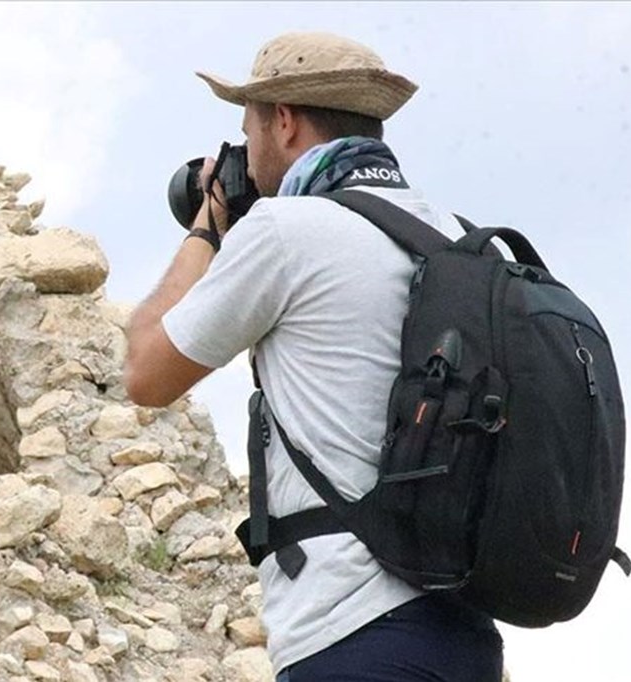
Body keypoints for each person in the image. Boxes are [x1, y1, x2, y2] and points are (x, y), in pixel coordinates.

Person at [122, 32, 504, 681]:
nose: (245, 149)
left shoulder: (287, 232)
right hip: (467, 636)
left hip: (350, 634)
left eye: (247, 127)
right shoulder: (460, 239)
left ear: (284, 120)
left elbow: (145, 371)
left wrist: (210, 221)